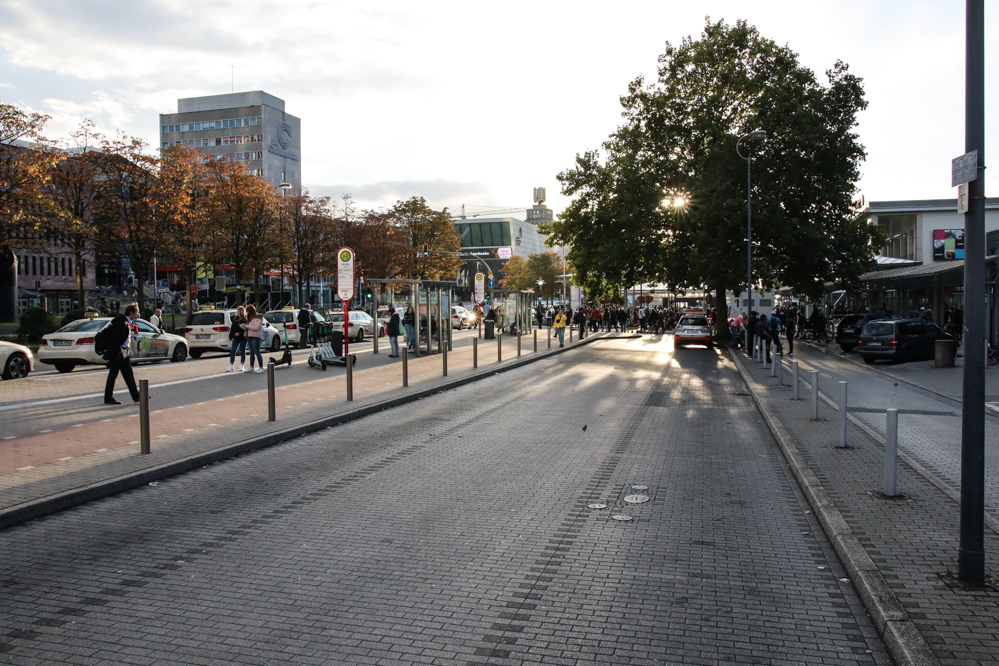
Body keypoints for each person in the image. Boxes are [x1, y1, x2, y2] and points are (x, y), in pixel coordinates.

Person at [103, 302, 140, 405]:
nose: (138, 314)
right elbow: (115, 339)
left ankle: (136, 395)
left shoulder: (127, 322)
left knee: (129, 374)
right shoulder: (122, 322)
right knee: (113, 375)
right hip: (119, 352)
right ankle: (108, 397)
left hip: (124, 351)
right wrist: (118, 352)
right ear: (131, 312)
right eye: (137, 312)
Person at [242, 305, 265, 373]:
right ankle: (251, 366)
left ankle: (261, 367)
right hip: (249, 336)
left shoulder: (257, 318)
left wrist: (247, 326)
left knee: (257, 352)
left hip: (255, 336)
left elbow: (256, 327)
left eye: (248, 311)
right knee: (251, 353)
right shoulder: (250, 319)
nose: (247, 313)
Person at [227, 305, 247, 372]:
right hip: (236, 338)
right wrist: (231, 337)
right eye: (237, 311)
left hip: (243, 337)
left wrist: (240, 334)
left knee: (242, 350)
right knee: (233, 350)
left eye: (239, 311)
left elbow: (246, 330)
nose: (238, 312)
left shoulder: (245, 319)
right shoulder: (235, 319)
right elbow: (232, 329)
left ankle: (242, 364)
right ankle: (231, 365)